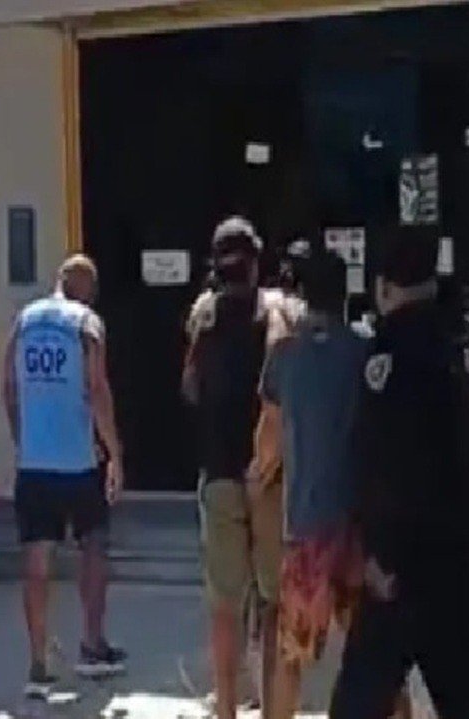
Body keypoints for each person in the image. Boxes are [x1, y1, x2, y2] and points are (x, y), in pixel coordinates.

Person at [329, 229, 469, 719]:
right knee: (467, 700)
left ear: (384, 286)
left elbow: (388, 462)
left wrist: (381, 554)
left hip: (406, 567)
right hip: (464, 554)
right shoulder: (465, 342)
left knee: (357, 703)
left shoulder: (391, 354)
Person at [2, 254, 127, 698]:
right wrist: (114, 452)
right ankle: (92, 645)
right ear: (87, 289)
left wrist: (23, 439)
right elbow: (96, 388)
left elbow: (9, 387)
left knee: (37, 561)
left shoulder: (23, 321)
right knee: (92, 546)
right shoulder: (86, 324)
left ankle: (38, 664)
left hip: (34, 463)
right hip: (78, 461)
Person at [256, 250, 368, 719]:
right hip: (360, 525)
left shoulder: (284, 355)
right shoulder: (365, 350)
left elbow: (268, 439)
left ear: (302, 295)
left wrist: (259, 480)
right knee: (375, 659)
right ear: (346, 293)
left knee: (292, 655)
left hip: (305, 524)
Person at [182, 217, 284, 719]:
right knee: (272, 603)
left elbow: (189, 388)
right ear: (256, 262)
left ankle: (225, 708)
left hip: (219, 470)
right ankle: (272, 709)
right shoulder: (275, 312)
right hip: (266, 473)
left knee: (225, 604)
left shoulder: (202, 316)